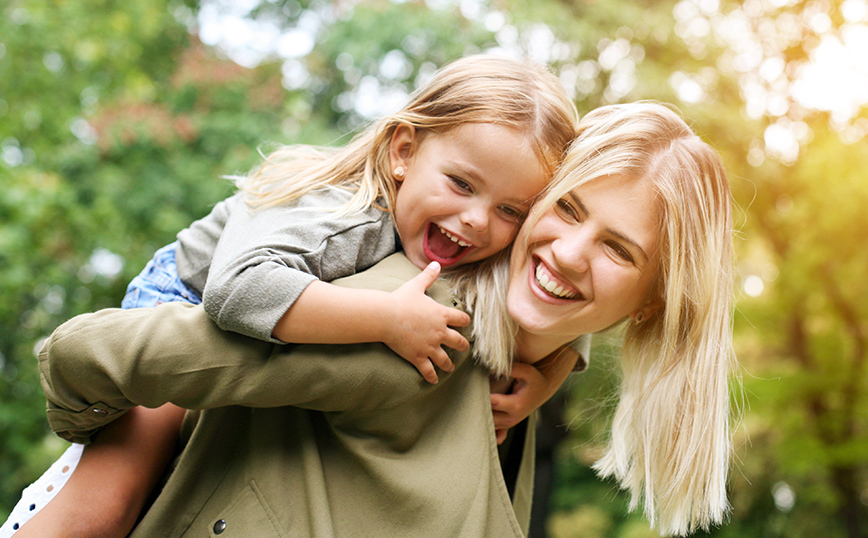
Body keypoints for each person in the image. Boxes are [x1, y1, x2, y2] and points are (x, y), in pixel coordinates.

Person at [26, 102, 735, 537]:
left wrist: (551, 371)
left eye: (617, 249)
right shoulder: (412, 321)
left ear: (652, 303)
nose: (570, 253)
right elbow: (93, 351)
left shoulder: (516, 376)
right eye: (570, 210)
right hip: (198, 288)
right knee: (95, 512)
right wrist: (95, 419)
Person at [1, 54, 579, 538]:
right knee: (110, 502)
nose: (477, 220)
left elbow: (572, 302)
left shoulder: (470, 238)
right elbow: (237, 291)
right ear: (404, 152)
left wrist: (550, 375)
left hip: (265, 312)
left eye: (511, 211)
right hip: (188, 295)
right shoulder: (339, 218)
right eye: (461, 183)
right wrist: (385, 318)